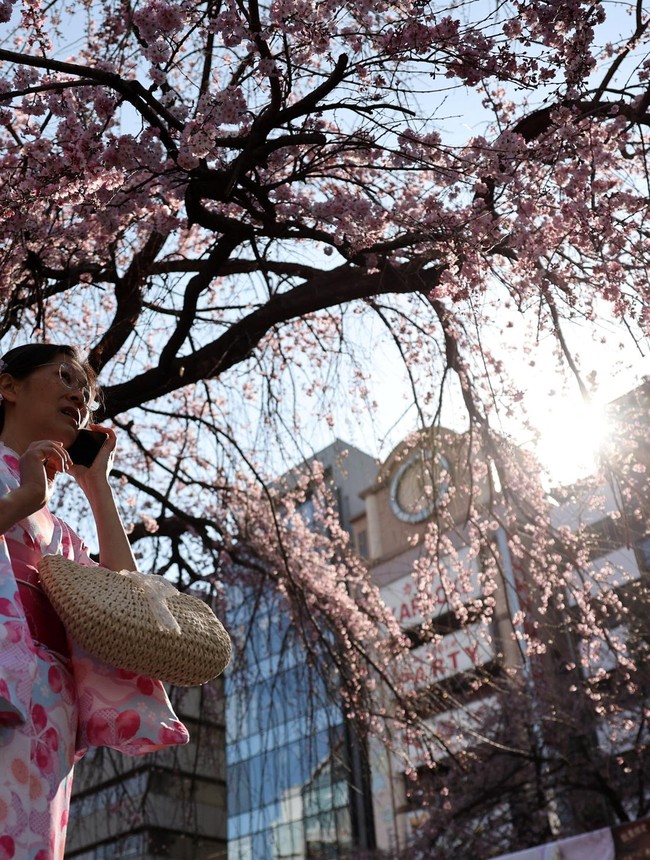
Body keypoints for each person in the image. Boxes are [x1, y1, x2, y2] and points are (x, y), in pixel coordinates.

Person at [0, 343, 189, 859]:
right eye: (63, 376)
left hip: (43, 706)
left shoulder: (58, 530)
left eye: (85, 391)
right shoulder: (25, 498)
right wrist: (20, 502)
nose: (78, 394)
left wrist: (95, 486)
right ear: (8, 386)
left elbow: (129, 609)